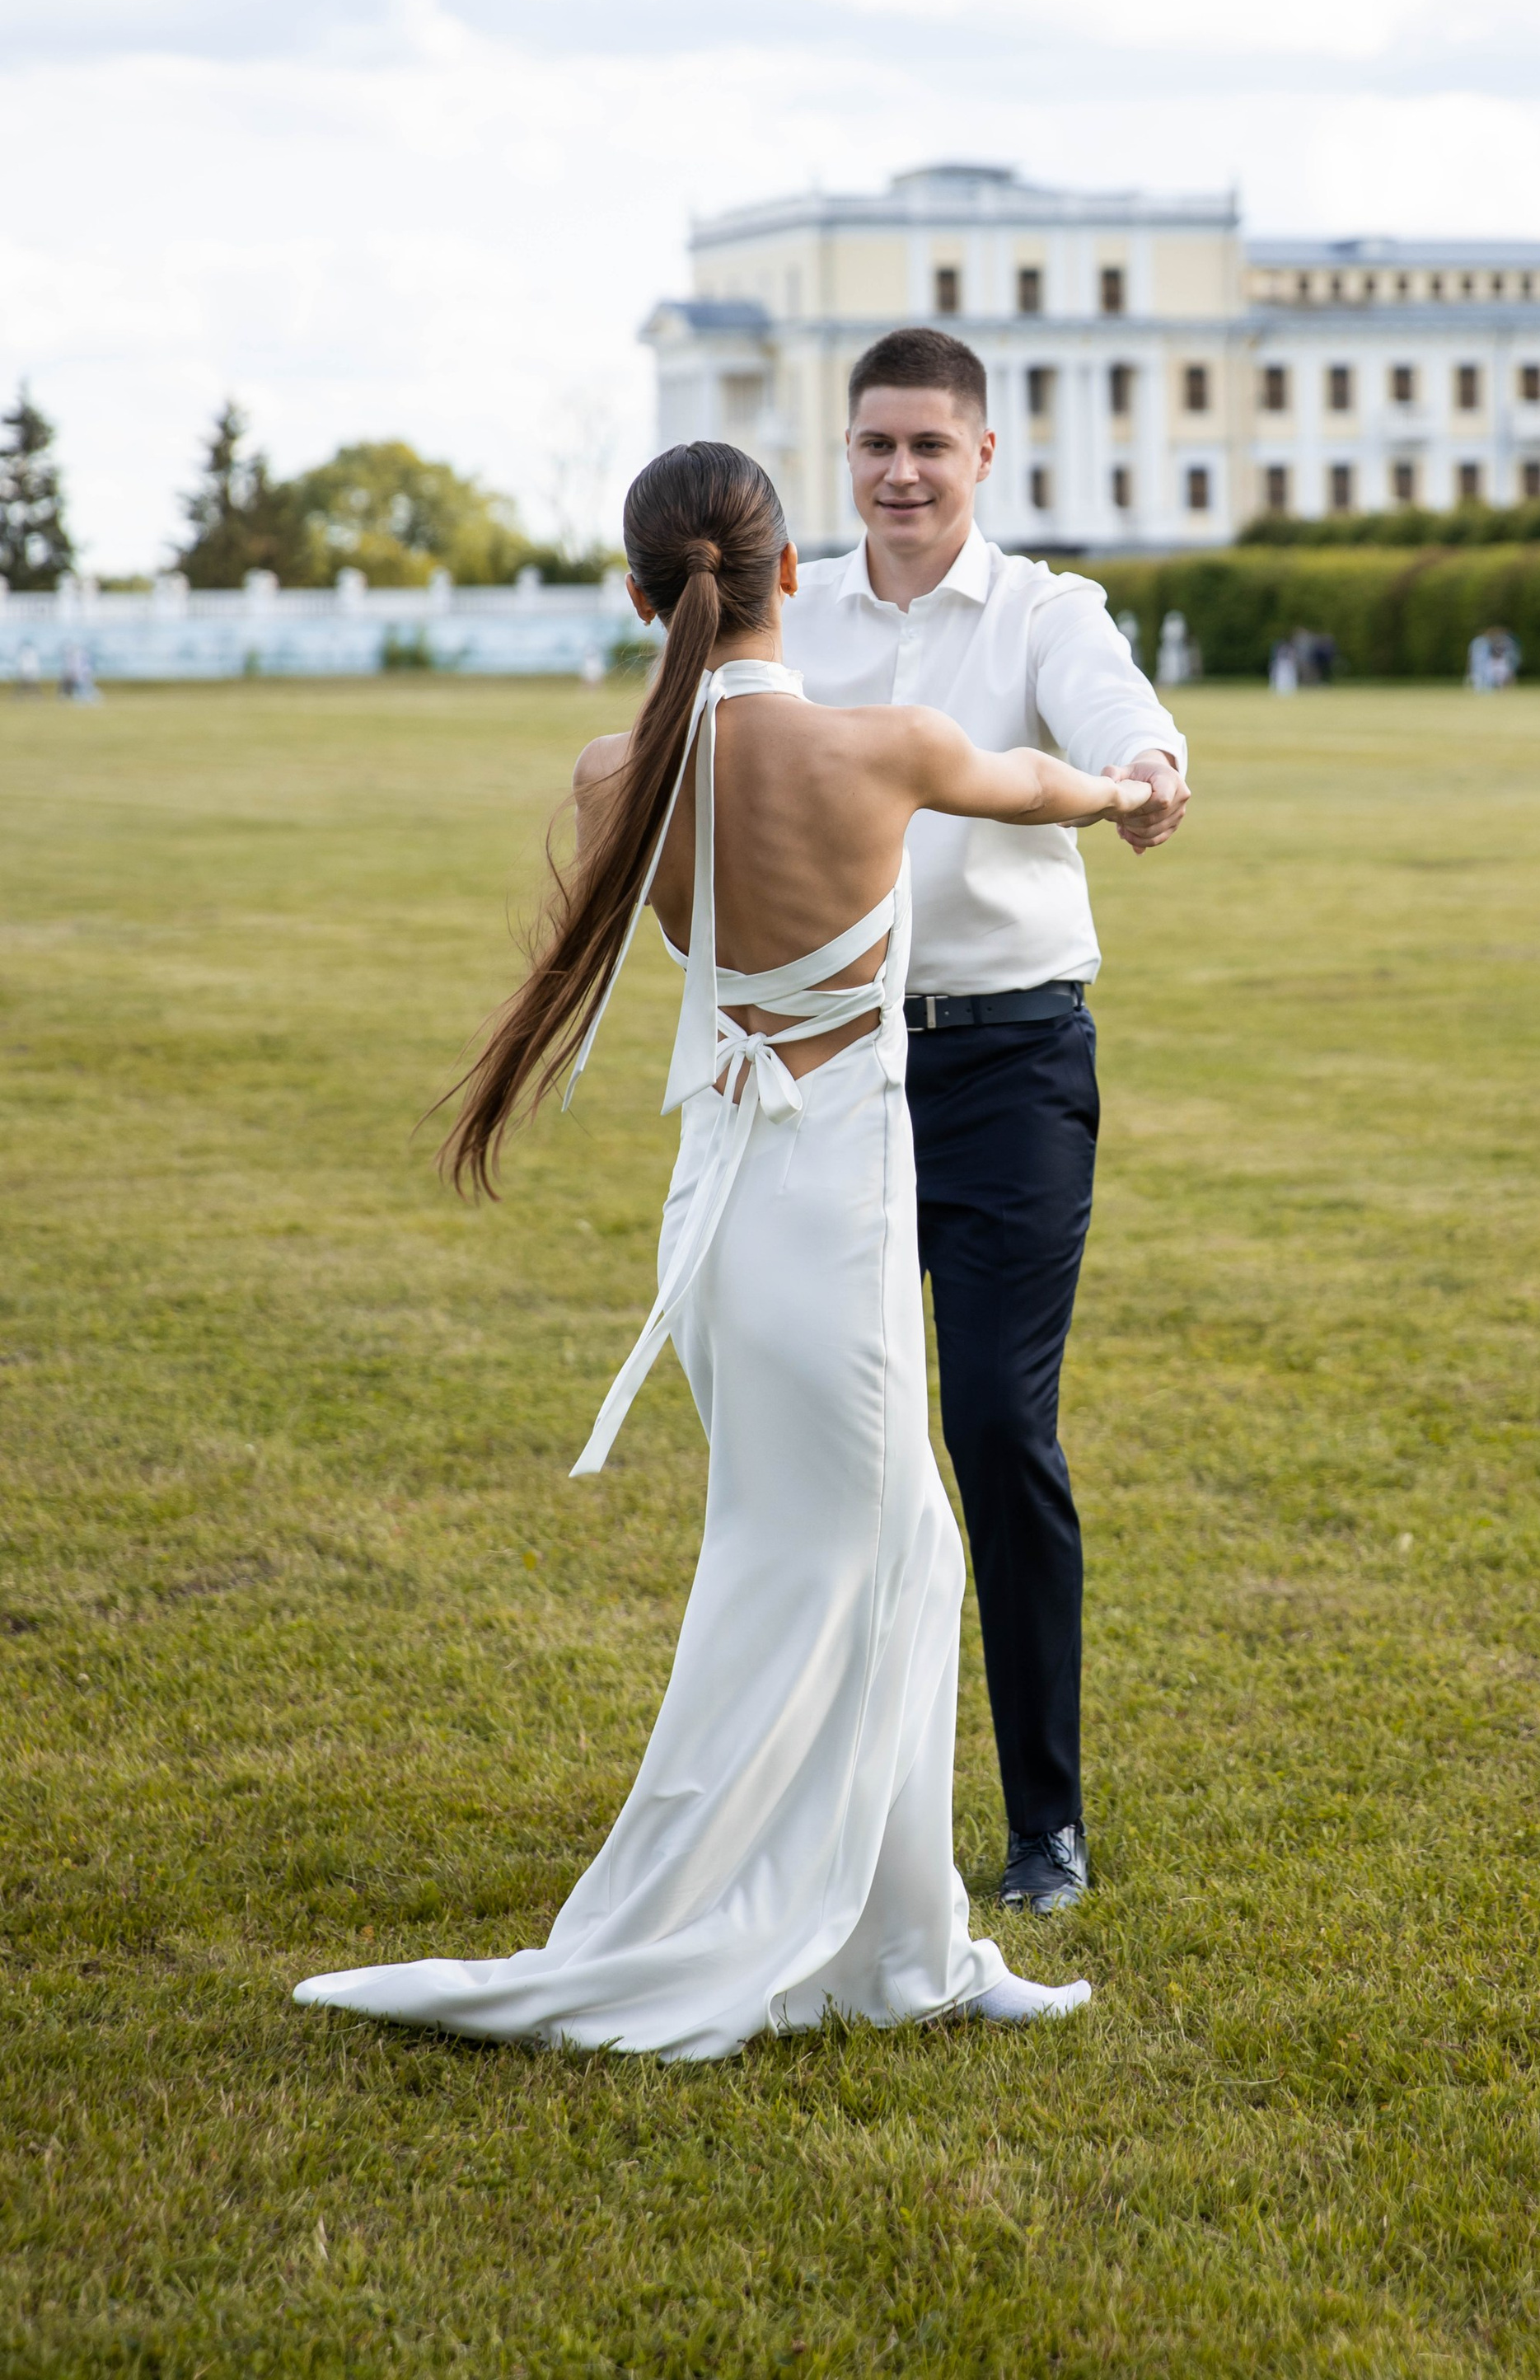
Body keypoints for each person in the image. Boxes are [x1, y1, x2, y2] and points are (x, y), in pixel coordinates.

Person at [294, 442, 1150, 2061]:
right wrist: (1125, 787)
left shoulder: (610, 776)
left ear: (639, 595)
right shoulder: (880, 745)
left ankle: (907, 1941)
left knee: (864, 1549)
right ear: (793, 580)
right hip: (827, 1214)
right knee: (856, 1554)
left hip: (726, 1212)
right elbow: (1041, 788)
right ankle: (817, 1933)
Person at [784, 329, 1191, 1916]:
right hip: (833, 1075)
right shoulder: (791, 613)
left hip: (1012, 1069)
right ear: (851, 452)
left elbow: (1120, 718)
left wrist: (1147, 771)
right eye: (876, 445)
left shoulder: (1045, 612)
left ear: (981, 459)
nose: (900, 474)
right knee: (832, 1445)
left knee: (996, 1432)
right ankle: (831, 1812)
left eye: (928, 449)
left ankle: (1046, 1828)